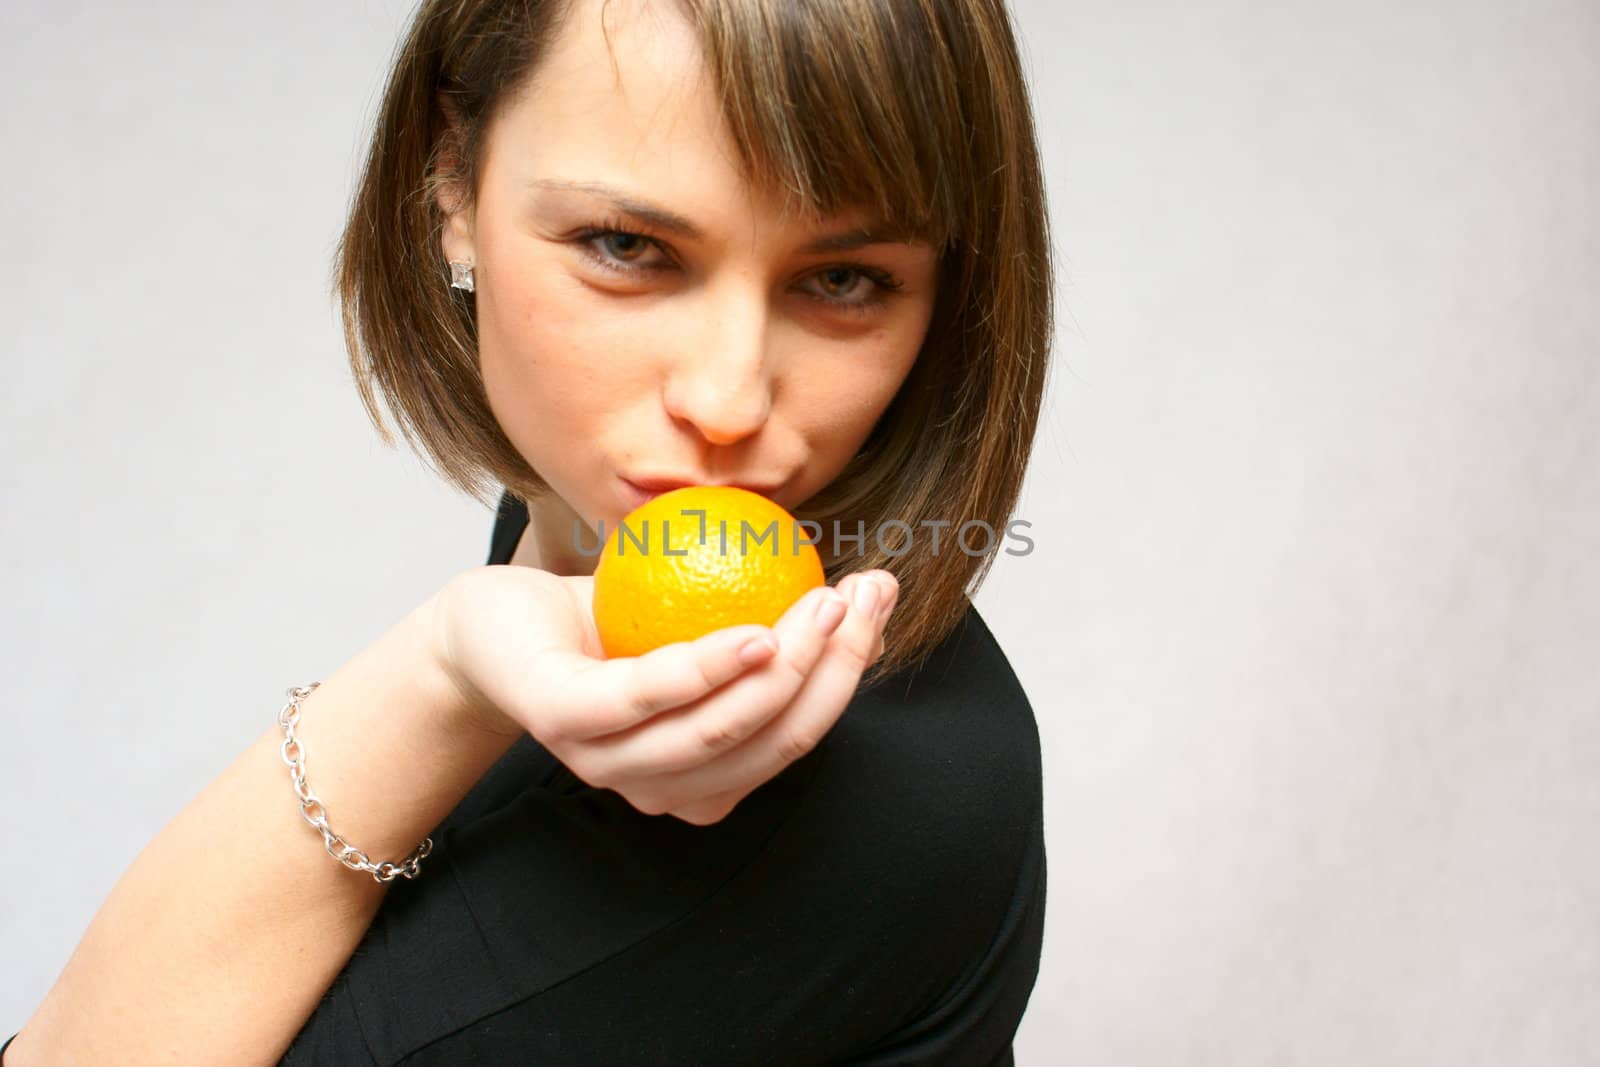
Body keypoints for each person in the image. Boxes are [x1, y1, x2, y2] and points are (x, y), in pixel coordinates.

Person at [3, 0, 1053, 1062]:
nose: (728, 400)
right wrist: (456, 659)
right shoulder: (594, 533)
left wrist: (435, 677)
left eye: (842, 280)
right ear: (450, 177)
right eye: (627, 245)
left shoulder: (864, 797)